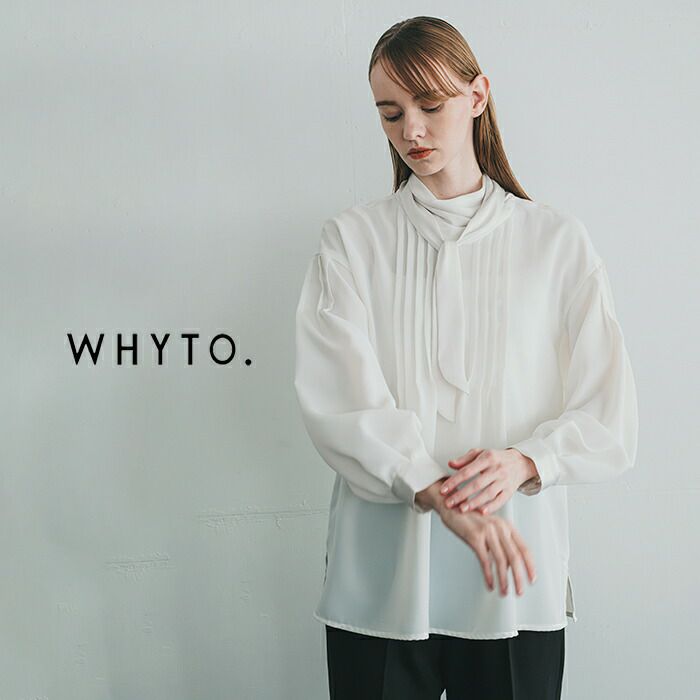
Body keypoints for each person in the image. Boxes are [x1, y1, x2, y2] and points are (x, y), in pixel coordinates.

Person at [293, 16, 638, 700]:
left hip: (514, 578)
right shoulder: (352, 241)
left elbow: (609, 413)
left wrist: (526, 461)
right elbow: (339, 401)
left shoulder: (556, 243)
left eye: (430, 104)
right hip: (383, 576)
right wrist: (430, 486)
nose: (411, 131)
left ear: (478, 96)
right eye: (390, 113)